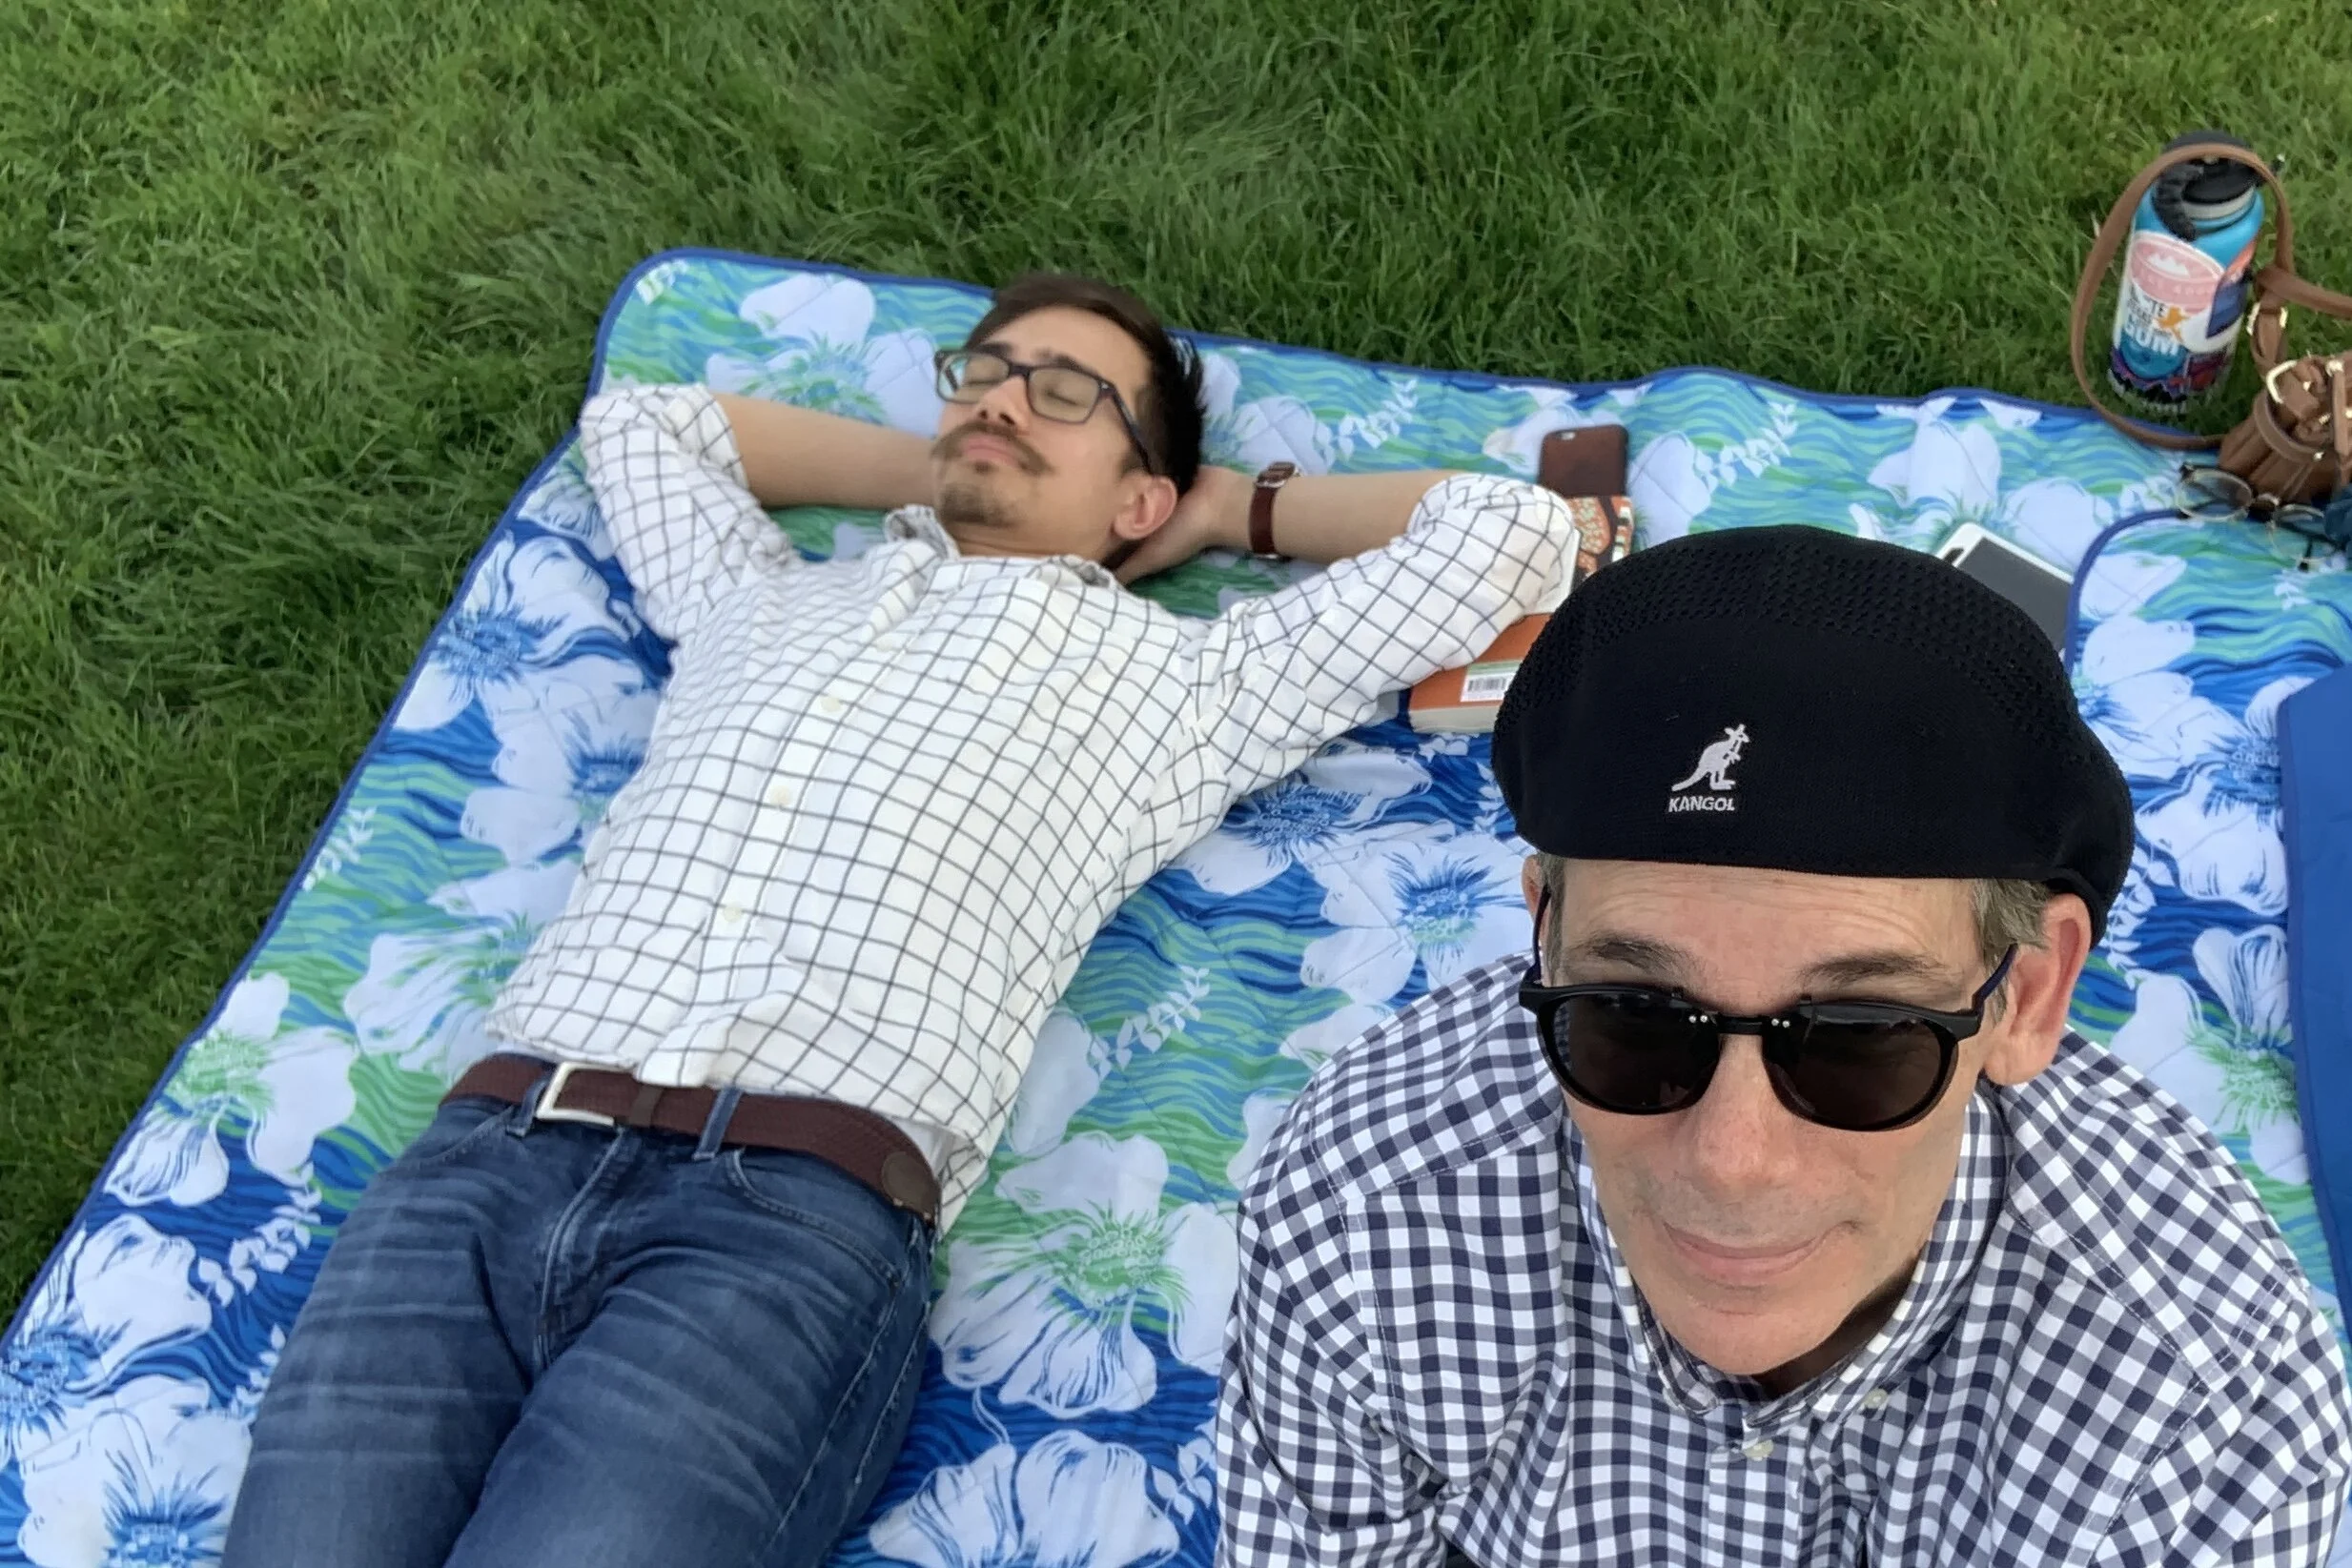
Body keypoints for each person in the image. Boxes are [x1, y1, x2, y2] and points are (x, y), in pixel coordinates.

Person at [218, 272, 1579, 1568]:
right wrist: (953, 468)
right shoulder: (754, 596)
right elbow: (643, 426)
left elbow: (1508, 532)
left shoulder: (1186, 682)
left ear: (1142, 494)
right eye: (983, 376)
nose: (1002, 399)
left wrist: (1228, 508)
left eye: (1065, 392)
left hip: (775, 1217)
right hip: (482, 1157)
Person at [1217, 525, 2352, 1565]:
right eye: (1634, 1018)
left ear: (2025, 997)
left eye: (1859, 1041)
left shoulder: (2208, 1419)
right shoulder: (1353, 1225)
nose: (1732, 1159)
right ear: (1543, 941)